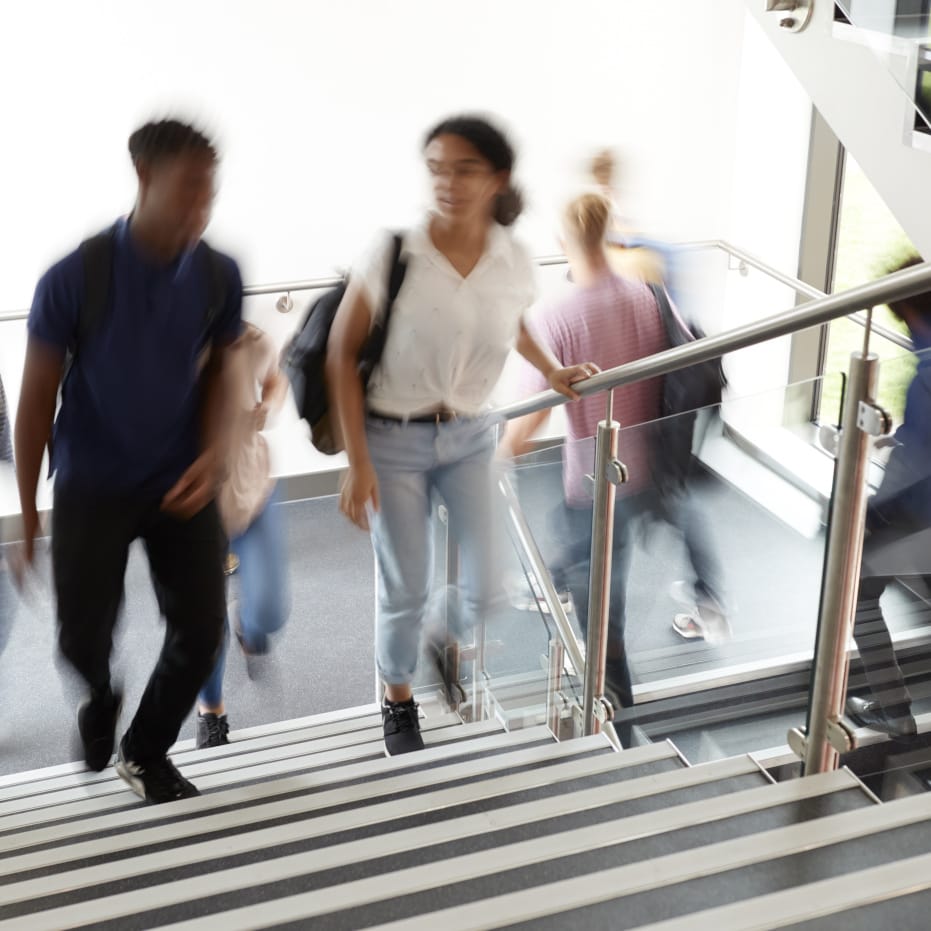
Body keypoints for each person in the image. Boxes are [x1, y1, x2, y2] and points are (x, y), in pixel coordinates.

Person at [327, 114, 597, 756]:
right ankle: (397, 700)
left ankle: (441, 635)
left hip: (471, 433)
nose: (447, 182)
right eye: (437, 168)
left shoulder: (511, 257)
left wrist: (552, 368)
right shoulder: (396, 251)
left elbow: (514, 320)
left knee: (491, 583)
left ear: (497, 177)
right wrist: (357, 461)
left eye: (464, 168)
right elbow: (341, 353)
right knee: (406, 584)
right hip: (392, 437)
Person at [15, 119, 242, 802]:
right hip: (93, 482)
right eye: (188, 191)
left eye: (210, 193)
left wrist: (214, 455)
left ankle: (145, 750)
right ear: (143, 178)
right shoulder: (75, 276)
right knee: (81, 634)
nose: (201, 208)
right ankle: (100, 693)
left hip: (180, 477)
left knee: (203, 630)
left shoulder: (216, 273)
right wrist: (27, 511)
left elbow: (222, 374)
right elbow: (34, 400)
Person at [501, 192, 668, 723]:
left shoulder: (559, 315)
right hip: (642, 470)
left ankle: (609, 694)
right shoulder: (644, 295)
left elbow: (531, 419)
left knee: (596, 590)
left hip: (593, 479)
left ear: (561, 242)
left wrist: (496, 457)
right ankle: (609, 684)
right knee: (602, 572)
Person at [845, 253, 931, 740]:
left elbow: (920, 464)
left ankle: (895, 711)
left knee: (858, 599)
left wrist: (870, 516)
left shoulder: (928, 375)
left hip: (918, 521)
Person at [195, 323, 290, 748]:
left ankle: (250, 631)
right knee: (202, 624)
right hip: (192, 508)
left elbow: (276, 376)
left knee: (271, 610)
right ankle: (211, 710)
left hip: (252, 490)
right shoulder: (152, 346)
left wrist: (267, 404)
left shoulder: (244, 336)